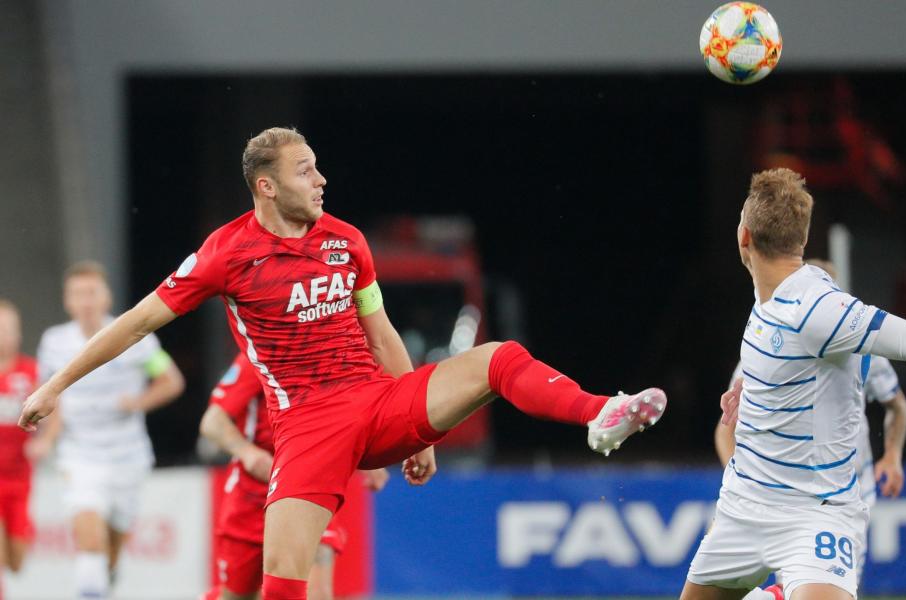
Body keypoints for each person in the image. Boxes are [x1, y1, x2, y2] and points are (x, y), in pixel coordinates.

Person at [18, 127, 667, 600]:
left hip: (376, 402)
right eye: (306, 171)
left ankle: (598, 413)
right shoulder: (226, 254)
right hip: (305, 428)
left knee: (495, 358)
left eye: (319, 167)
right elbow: (137, 321)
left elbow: (379, 330)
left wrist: (421, 420)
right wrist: (56, 383)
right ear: (266, 186)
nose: (322, 180)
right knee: (285, 580)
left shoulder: (347, 241)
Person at [681, 168, 906, 600]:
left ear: (744, 237)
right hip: (744, 507)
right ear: (803, 241)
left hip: (813, 516)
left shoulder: (816, 306)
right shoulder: (766, 301)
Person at [714, 261, 906, 600]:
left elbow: (897, 405)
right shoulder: (767, 347)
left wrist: (892, 456)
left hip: (847, 498)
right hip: (787, 496)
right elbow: (725, 430)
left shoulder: (861, 345)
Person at [33, 261, 185, 599]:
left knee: (110, 550)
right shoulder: (54, 343)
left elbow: (170, 381)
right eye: (78, 294)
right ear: (67, 301)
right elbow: (51, 397)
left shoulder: (133, 337)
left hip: (127, 456)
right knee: (90, 544)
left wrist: (138, 402)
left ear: (106, 297)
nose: (85, 301)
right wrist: (47, 439)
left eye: (92, 293)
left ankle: (106, 579)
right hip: (80, 456)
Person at [201, 353, 389, 600]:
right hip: (252, 498)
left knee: (318, 594)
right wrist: (247, 453)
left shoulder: (333, 354)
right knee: (239, 595)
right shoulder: (258, 356)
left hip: (309, 485)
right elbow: (212, 421)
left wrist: (369, 457)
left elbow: (347, 413)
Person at [0, 299, 40, 592]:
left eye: (8, 329)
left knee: (16, 561)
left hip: (20, 478)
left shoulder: (31, 372)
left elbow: (57, 411)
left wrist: (46, 441)